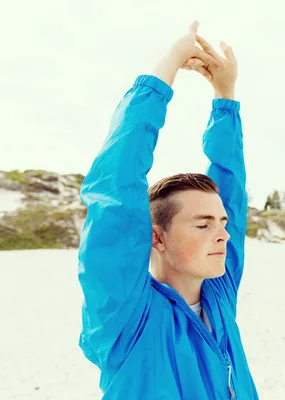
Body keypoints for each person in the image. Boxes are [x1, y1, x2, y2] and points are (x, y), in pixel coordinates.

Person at [77, 21, 259, 399]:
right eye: (203, 224)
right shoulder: (126, 316)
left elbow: (233, 194)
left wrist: (225, 94)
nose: (223, 234)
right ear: (156, 237)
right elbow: (116, 187)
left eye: (221, 223)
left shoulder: (219, 293)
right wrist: (167, 67)